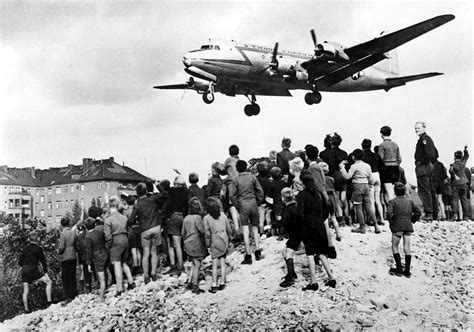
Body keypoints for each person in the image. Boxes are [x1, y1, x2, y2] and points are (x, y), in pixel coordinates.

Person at [297, 170, 336, 291]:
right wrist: (320, 220)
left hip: (308, 226)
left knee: (310, 253)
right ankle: (331, 278)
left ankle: (313, 282)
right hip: (319, 224)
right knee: (321, 252)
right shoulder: (319, 193)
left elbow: (300, 214)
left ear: (302, 182)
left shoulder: (301, 195)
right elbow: (326, 210)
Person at [127, 182, 166, 284]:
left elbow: (130, 220)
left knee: (145, 254)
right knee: (154, 252)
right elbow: (164, 193)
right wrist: (157, 184)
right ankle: (153, 272)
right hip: (156, 227)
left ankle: (146, 276)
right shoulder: (152, 199)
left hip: (145, 229)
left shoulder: (137, 205)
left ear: (137, 192)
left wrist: (136, 221)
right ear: (146, 191)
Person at [229, 160, 264, 264]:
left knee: (245, 229)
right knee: (255, 228)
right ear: (246, 167)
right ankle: (258, 251)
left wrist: (237, 205)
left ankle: (248, 255)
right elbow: (260, 191)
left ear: (237, 169)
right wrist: (257, 201)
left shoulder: (235, 179)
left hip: (242, 203)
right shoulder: (252, 177)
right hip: (253, 202)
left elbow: (231, 195)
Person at [339, 149, 381, 234]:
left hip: (357, 186)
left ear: (353, 157)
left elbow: (347, 176)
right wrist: (369, 186)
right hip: (366, 186)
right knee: (368, 206)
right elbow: (370, 178)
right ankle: (376, 225)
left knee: (358, 207)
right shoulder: (367, 166)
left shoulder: (354, 166)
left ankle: (362, 227)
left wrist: (342, 168)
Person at [387, 182, 422, 277]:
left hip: (397, 226)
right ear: (404, 191)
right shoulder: (410, 201)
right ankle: (407, 271)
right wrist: (411, 221)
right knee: (407, 247)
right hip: (407, 226)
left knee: (395, 246)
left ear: (395, 192)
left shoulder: (392, 201)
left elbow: (389, 214)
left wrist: (392, 223)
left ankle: (398, 269)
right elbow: (418, 212)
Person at [105, 196, 135, 295]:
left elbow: (107, 236)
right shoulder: (124, 217)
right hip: (125, 239)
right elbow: (130, 231)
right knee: (124, 262)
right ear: (118, 205)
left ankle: (119, 288)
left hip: (115, 241)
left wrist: (109, 246)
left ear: (109, 206)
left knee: (117, 265)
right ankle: (131, 282)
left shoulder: (108, 220)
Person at [203, 197, 232, 293]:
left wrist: (207, 244)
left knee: (215, 264)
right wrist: (229, 238)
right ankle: (223, 282)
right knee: (223, 262)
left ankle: (214, 283)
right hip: (224, 239)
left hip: (214, 241)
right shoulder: (223, 215)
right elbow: (228, 228)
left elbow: (207, 233)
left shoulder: (206, 218)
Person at [19, 233, 53, 312]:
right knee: (49, 282)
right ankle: (49, 302)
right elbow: (43, 262)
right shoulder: (38, 248)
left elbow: (20, 262)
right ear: (37, 239)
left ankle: (26, 310)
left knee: (26, 291)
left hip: (24, 270)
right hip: (32, 269)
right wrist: (46, 274)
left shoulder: (25, 249)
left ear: (29, 239)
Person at [165, 176, 192, 275]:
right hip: (183, 217)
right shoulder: (186, 191)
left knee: (176, 244)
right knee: (185, 240)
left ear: (175, 184)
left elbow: (168, 204)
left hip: (174, 216)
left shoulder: (172, 191)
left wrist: (167, 216)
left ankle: (179, 266)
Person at [182, 197, 208, 294]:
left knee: (193, 263)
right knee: (197, 264)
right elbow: (202, 230)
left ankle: (189, 282)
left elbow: (182, 233)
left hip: (187, 243)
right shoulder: (197, 218)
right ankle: (195, 285)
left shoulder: (186, 218)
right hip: (196, 243)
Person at [414, 121, 439, 220]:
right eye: (415, 128)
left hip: (423, 166)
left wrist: (421, 162)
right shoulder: (426, 139)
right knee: (430, 189)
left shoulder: (424, 139)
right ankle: (434, 213)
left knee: (425, 190)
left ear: (424, 128)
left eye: (418, 128)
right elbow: (436, 154)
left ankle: (429, 213)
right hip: (428, 166)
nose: (416, 130)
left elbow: (431, 155)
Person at [279, 187, 301, 287]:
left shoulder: (288, 209)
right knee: (285, 251)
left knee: (288, 253)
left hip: (295, 234)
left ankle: (291, 277)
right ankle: (291, 273)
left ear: (283, 198)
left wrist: (272, 225)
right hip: (298, 232)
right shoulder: (297, 205)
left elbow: (284, 221)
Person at [84, 217, 108, 301]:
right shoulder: (100, 233)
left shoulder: (88, 237)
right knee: (105, 274)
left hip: (97, 257)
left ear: (86, 227)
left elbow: (89, 251)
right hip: (105, 253)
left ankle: (101, 297)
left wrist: (89, 264)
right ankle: (106, 289)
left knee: (101, 278)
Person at [362, 139, 385, 225]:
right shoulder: (376, 155)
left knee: (371, 200)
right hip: (377, 175)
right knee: (377, 200)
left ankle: (373, 220)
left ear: (362, 146)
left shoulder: (363, 156)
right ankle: (382, 219)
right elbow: (383, 167)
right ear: (370, 146)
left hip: (369, 176)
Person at [378, 126, 402, 201]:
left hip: (387, 169)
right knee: (395, 191)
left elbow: (380, 159)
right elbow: (399, 159)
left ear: (382, 135)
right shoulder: (395, 144)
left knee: (389, 192)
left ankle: (391, 210)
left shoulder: (382, 145)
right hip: (395, 168)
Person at [319, 162, 342, 241]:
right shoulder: (332, 179)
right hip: (332, 198)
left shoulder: (320, 180)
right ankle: (338, 234)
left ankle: (327, 237)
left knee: (325, 219)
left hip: (324, 198)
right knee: (333, 217)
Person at [58, 216, 78, 303]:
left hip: (65, 256)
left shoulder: (63, 233)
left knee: (66, 277)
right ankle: (74, 293)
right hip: (73, 254)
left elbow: (62, 246)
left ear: (62, 224)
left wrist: (58, 251)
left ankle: (68, 296)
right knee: (72, 275)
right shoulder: (73, 232)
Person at [223, 144, 241, 233]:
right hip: (240, 183)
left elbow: (223, 170)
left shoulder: (229, 160)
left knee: (232, 205)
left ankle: (236, 227)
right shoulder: (240, 161)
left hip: (231, 184)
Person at [449, 146, 470, 220]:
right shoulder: (463, 163)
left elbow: (451, 172)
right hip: (464, 183)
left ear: (454, 157)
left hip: (455, 184)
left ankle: (455, 214)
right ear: (461, 157)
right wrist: (465, 150)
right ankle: (466, 216)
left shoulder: (452, 165)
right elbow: (466, 156)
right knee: (464, 199)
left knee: (454, 199)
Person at [268, 166, 288, 240]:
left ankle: (281, 234)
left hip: (277, 203)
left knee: (279, 218)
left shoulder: (271, 184)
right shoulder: (285, 183)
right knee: (286, 217)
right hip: (285, 201)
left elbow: (269, 195)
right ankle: (286, 233)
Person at [124, 195, 141, 276]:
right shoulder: (138, 210)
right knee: (138, 250)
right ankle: (140, 266)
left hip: (131, 232)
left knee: (133, 250)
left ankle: (135, 267)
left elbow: (125, 223)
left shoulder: (126, 212)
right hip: (139, 230)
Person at [256, 161, 272, 235]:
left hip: (259, 202)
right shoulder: (270, 180)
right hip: (268, 201)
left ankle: (262, 232)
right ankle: (269, 231)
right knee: (268, 217)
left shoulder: (256, 180)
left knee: (261, 219)